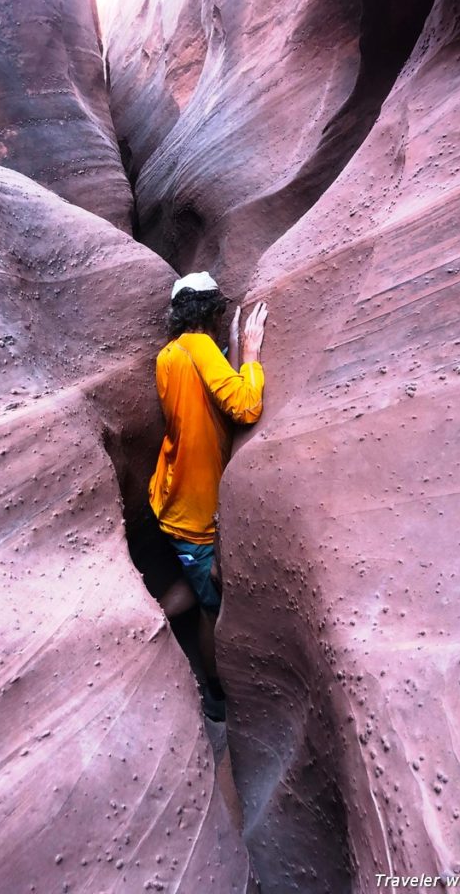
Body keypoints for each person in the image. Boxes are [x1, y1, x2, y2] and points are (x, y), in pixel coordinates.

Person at [148, 270, 267, 719]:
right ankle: (216, 695)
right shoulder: (199, 347)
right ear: (210, 310)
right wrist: (251, 355)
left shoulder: (167, 355)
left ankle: (157, 616)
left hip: (170, 494)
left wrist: (227, 353)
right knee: (212, 607)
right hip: (194, 515)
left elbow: (199, 398)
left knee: (197, 587)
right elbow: (245, 405)